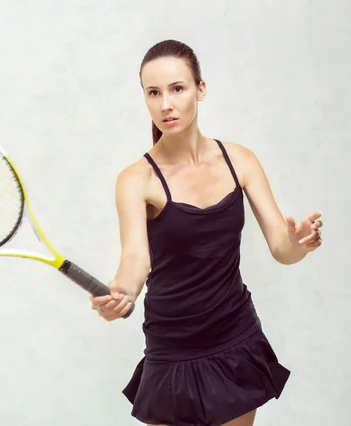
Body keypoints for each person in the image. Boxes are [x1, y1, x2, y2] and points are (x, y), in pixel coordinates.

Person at [90, 40, 323, 426]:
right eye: (153, 92)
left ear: (200, 89)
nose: (165, 104)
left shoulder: (240, 160)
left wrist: (300, 244)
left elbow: (282, 248)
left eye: (177, 89)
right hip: (173, 347)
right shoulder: (136, 179)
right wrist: (123, 292)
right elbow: (135, 258)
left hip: (234, 336)